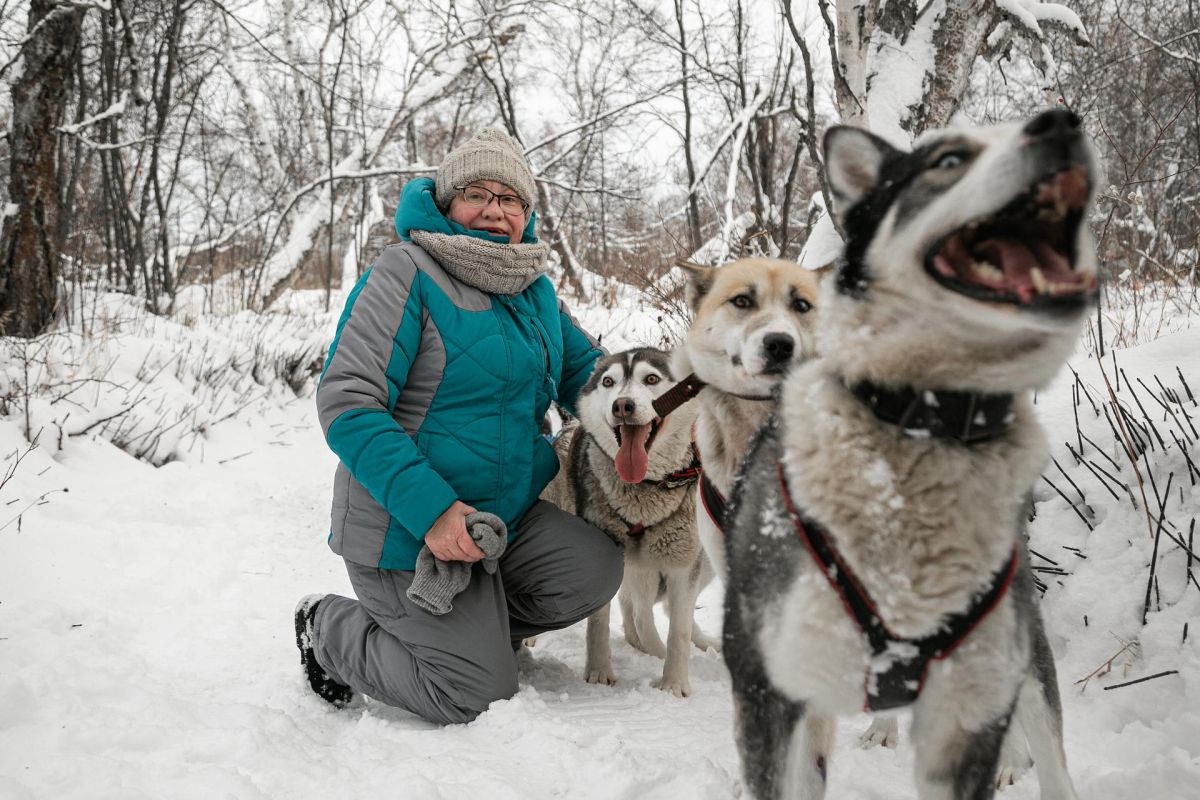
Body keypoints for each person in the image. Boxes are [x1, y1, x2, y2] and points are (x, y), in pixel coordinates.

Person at [294, 128, 622, 724]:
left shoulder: (534, 290)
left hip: (501, 524)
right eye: (477, 193)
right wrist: (435, 513)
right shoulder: (407, 272)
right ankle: (327, 628)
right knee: (469, 695)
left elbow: (592, 378)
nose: (495, 210)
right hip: (408, 530)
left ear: (526, 214)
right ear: (447, 203)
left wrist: (668, 400)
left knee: (592, 569)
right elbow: (348, 402)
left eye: (512, 199)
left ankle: (475, 631)